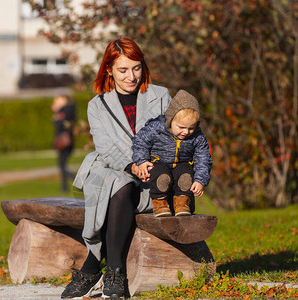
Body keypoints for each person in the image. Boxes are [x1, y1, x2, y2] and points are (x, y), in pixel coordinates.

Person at [61, 38, 172, 299]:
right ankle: (115, 272)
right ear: (109, 69)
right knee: (118, 184)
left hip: (151, 173)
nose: (131, 76)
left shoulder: (161, 96)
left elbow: (171, 139)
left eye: (136, 68)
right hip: (111, 168)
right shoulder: (97, 106)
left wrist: (147, 164)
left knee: (121, 189)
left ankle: (92, 268)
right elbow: (105, 148)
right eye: (123, 70)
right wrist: (132, 165)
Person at [132, 89, 213, 217]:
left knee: (186, 173)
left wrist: (200, 180)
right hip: (159, 163)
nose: (186, 132)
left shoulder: (197, 137)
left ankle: (182, 202)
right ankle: (160, 203)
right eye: (181, 127)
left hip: (182, 165)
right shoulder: (156, 128)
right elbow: (140, 142)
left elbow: (203, 158)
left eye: (191, 128)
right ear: (170, 120)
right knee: (160, 174)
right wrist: (141, 161)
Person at [51, 94, 76, 192]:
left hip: (65, 141)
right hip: (62, 141)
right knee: (61, 165)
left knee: (61, 165)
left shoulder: (68, 108)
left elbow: (62, 122)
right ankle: (64, 187)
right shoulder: (65, 109)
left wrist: (57, 116)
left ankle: (73, 178)